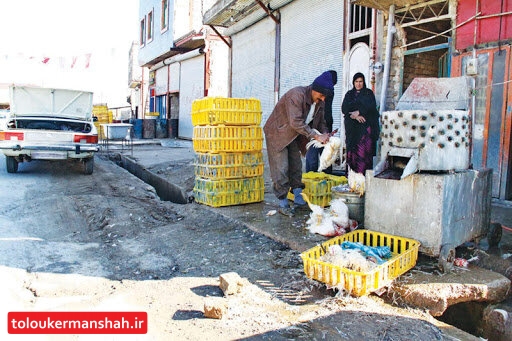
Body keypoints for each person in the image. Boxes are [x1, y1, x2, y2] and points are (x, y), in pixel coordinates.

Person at [264, 71, 334, 217]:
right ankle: (283, 202)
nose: (322, 99)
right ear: (315, 89)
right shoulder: (296, 95)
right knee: (281, 168)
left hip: (294, 135)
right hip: (278, 133)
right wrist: (315, 136)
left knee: (296, 166)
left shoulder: (319, 102)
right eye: (321, 96)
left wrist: (326, 134)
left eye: (324, 97)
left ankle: (298, 198)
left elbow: (321, 122)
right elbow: (295, 122)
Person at [341, 72, 380, 175]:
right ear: (353, 82)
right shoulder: (349, 94)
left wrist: (359, 111)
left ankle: (363, 179)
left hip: (364, 130)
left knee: (363, 154)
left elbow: (371, 107)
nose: (358, 84)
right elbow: (344, 108)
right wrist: (355, 116)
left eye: (360, 81)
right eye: (356, 81)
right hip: (352, 131)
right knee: (352, 154)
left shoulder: (368, 93)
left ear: (364, 82)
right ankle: (352, 179)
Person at [305, 70, 337, 174]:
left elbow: (325, 110)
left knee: (325, 151)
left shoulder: (326, 91)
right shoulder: (319, 91)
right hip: (314, 125)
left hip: (323, 123)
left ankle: (318, 173)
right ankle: (313, 173)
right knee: (314, 150)